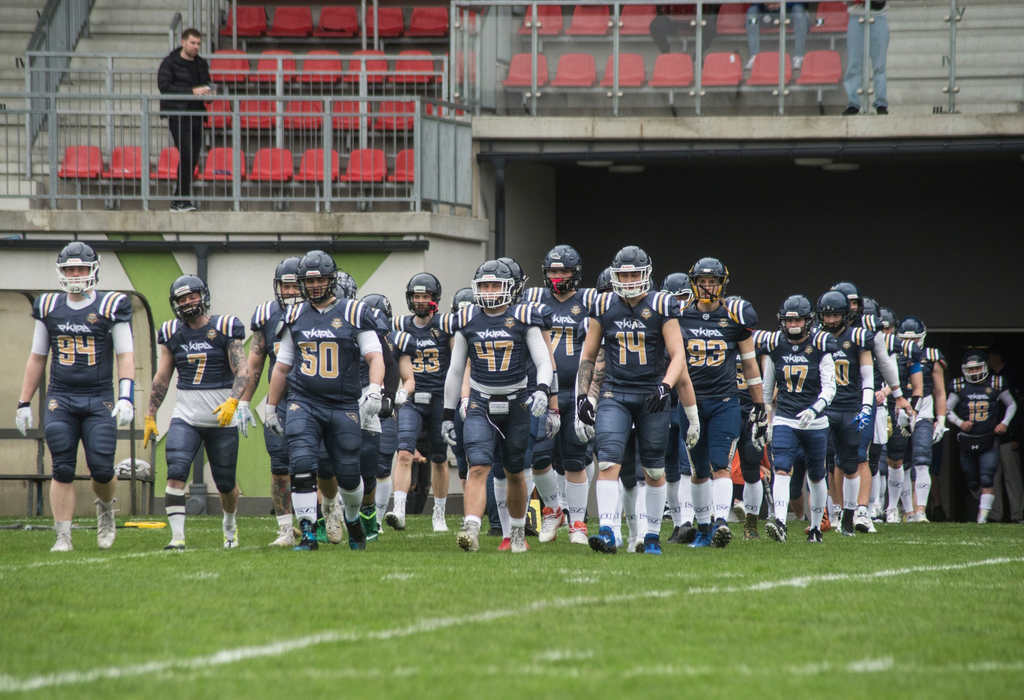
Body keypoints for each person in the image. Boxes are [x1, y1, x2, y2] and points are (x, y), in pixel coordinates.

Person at [16, 242, 135, 552]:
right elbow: (37, 357)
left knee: (102, 467)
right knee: (62, 467)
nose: (76, 274)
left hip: (99, 398)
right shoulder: (49, 307)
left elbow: (125, 354)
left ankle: (106, 508)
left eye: (81, 268)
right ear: (61, 272)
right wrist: (24, 402)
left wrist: (126, 396)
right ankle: (63, 535)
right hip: (61, 397)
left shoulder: (111, 305)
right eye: (70, 269)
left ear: (93, 270)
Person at [263, 250, 384, 551]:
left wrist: (374, 388)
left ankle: (353, 518)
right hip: (303, 401)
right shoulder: (294, 315)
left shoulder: (353, 312)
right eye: (309, 280)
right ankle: (308, 533)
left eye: (320, 280)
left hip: (343, 404)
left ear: (331, 280)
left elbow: (375, 356)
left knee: (348, 474)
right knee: (301, 463)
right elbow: (282, 365)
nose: (314, 285)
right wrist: (269, 406)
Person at [575, 245, 692, 555]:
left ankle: (651, 536)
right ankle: (608, 532)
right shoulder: (603, 305)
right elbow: (588, 357)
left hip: (652, 391)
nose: (627, 281)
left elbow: (679, 354)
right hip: (615, 391)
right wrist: (582, 399)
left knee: (654, 470)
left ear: (646, 275)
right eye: (623, 275)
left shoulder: (662, 304)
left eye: (633, 275)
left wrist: (665, 386)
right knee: (609, 461)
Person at [442, 260, 553, 553]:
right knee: (477, 465)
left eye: (495, 285)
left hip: (517, 401)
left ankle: (517, 531)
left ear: (510, 288)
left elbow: (543, 361)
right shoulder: (467, 319)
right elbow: (455, 370)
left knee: (515, 471)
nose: (490, 291)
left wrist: (542, 389)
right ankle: (471, 526)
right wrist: (447, 414)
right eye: (485, 286)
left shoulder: (524, 316)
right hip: (480, 401)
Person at [144, 275, 249, 550]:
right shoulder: (171, 332)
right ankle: (177, 538)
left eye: (192, 296)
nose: (188, 302)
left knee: (226, 484)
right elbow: (162, 378)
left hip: (221, 417)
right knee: (176, 471)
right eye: (182, 299)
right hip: (186, 416)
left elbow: (243, 371)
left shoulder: (225, 327)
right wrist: (150, 414)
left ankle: (229, 526)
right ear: (175, 304)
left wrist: (233, 402)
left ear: (203, 296)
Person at [677, 257, 766, 548]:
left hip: (725, 401)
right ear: (693, 283)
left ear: (722, 283)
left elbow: (750, 366)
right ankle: (703, 529)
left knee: (721, 464)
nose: (706, 287)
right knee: (698, 469)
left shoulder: (735, 317)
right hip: (691, 402)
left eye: (712, 281)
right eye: (702, 281)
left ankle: (720, 522)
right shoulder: (680, 315)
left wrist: (759, 405)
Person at [523, 244, 597, 545]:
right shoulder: (533, 299)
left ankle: (578, 521)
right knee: (540, 457)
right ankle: (554, 509)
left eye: (563, 271)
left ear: (575, 273)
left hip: (574, 391)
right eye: (553, 270)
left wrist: (591, 395)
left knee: (576, 460)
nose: (557, 276)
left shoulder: (590, 301)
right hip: (543, 391)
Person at [760, 294, 840, 544]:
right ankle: (781, 522)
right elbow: (767, 387)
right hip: (785, 417)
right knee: (781, 467)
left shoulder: (821, 344)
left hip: (815, 421)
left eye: (798, 320)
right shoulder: (776, 344)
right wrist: (765, 416)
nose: (793, 325)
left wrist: (815, 409)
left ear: (808, 321)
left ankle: (815, 527)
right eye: (789, 320)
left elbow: (830, 387)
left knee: (816, 474)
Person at [241, 256, 302, 547]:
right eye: (284, 286)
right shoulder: (267, 314)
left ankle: (323, 515)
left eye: (294, 286)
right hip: (278, 402)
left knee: (315, 464)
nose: (289, 292)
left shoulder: (318, 312)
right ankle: (286, 529)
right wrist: (243, 401)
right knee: (279, 465)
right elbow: (255, 363)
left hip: (312, 399)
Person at [388, 272, 454, 533]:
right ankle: (399, 510)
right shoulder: (401, 325)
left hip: (439, 397)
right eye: (416, 296)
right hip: (412, 398)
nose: (420, 301)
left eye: (425, 296)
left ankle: (439, 514)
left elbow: (458, 358)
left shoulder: (445, 326)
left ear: (435, 299)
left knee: (439, 458)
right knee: (404, 452)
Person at [357, 292, 413, 542]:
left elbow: (408, 377)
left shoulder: (398, 340)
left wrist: (402, 392)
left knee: (380, 467)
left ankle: (376, 521)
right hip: (357, 404)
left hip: (385, 410)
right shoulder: (356, 336)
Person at [947, 351, 1017, 523]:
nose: (975, 372)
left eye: (978, 368)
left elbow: (1011, 404)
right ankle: (985, 508)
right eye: (970, 369)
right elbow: (946, 409)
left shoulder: (996, 383)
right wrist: (960, 422)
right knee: (972, 480)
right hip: (966, 438)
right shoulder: (958, 385)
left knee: (987, 477)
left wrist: (1005, 423)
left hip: (988, 437)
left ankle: (982, 519)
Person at [157, 28, 212, 212]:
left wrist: (207, 91)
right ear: (183, 42)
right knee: (186, 153)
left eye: (198, 43)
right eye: (192, 43)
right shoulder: (170, 62)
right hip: (177, 115)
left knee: (193, 157)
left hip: (196, 115)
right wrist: (191, 92)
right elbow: (164, 86)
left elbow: (207, 83)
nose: (196, 47)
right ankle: (181, 199)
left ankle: (180, 199)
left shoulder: (201, 64)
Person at [988, 346, 1022, 522]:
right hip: (991, 437)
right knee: (992, 476)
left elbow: (1017, 407)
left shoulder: (1011, 378)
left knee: (1012, 477)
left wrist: (1016, 435)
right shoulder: (988, 379)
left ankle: (1017, 514)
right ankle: (995, 514)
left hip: (1007, 437)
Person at [843, 1, 890, 115]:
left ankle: (881, 104)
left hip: (878, 16)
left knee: (879, 65)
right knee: (854, 63)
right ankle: (853, 103)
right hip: (856, 16)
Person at [744, 3, 810, 71]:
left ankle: (798, 56)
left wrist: (783, 3)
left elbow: (803, 3)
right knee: (752, 12)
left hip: (789, 15)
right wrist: (765, 3)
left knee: (799, 10)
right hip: (766, 16)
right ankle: (754, 57)